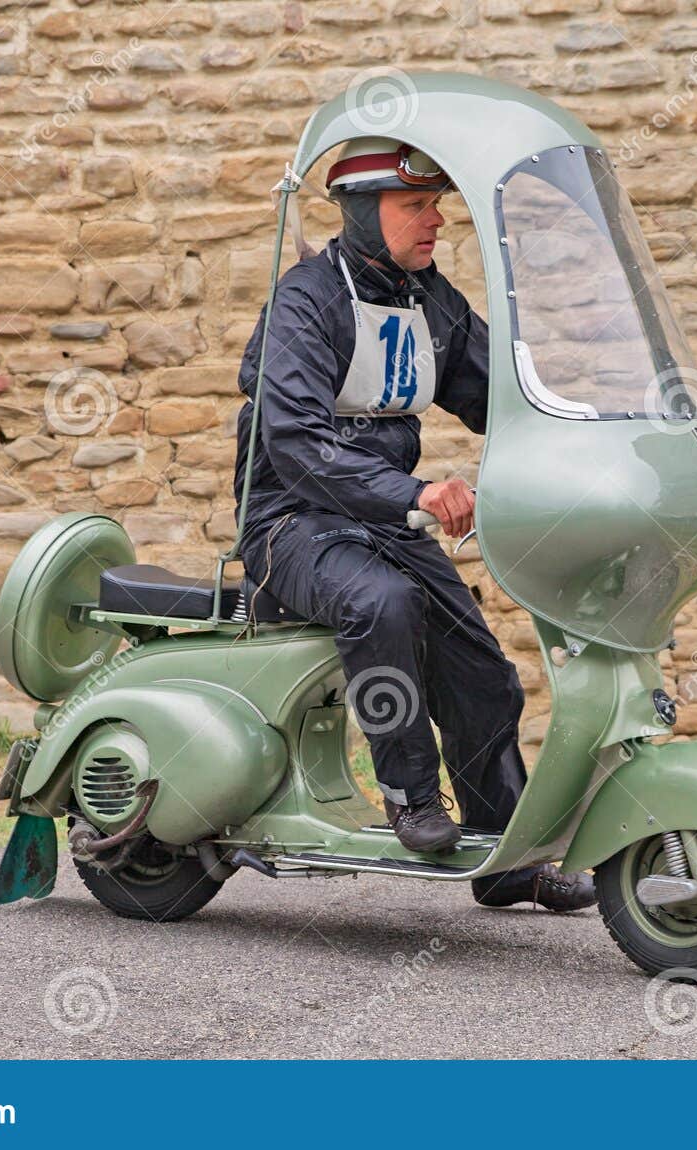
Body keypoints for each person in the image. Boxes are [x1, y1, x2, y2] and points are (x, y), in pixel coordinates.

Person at [233, 137, 595, 912]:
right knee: (382, 604)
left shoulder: (427, 299)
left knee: (485, 674)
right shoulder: (305, 302)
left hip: (385, 520)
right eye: (415, 206)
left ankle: (506, 859)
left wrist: (581, 436)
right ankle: (409, 792)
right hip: (288, 521)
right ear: (364, 212)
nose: (436, 221)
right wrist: (418, 490)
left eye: (436, 204)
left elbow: (496, 393)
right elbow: (294, 442)